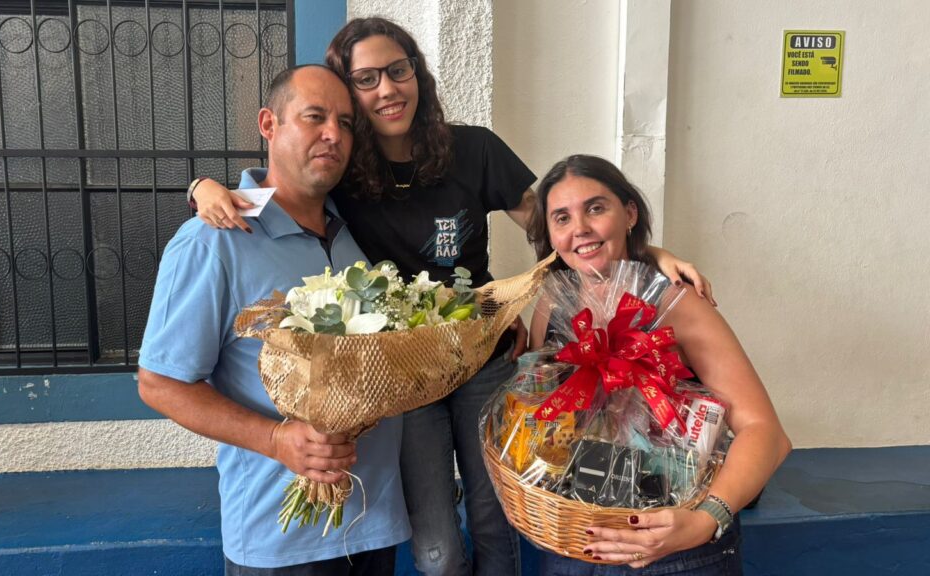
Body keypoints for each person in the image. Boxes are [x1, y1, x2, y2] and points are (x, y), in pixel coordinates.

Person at [188, 18, 712, 576]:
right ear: (349, 94)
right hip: (401, 379)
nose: (387, 89)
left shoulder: (473, 148)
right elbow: (283, 184)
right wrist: (200, 188)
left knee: (495, 519)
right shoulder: (342, 170)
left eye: (398, 70)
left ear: (417, 73)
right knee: (436, 549)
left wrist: (647, 252)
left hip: (483, 359)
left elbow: (560, 226)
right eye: (366, 79)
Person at [137, 65, 410, 575]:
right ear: (269, 124)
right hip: (281, 542)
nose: (333, 134)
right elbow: (159, 384)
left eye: (345, 123)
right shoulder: (213, 240)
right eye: (314, 117)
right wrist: (276, 440)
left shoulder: (353, 236)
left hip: (372, 523)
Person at [526, 155, 792, 575]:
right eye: (562, 218)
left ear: (629, 213)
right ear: (550, 233)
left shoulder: (676, 304)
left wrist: (705, 520)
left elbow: (766, 432)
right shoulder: (552, 306)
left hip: (678, 551)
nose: (580, 228)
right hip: (575, 546)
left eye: (596, 208)